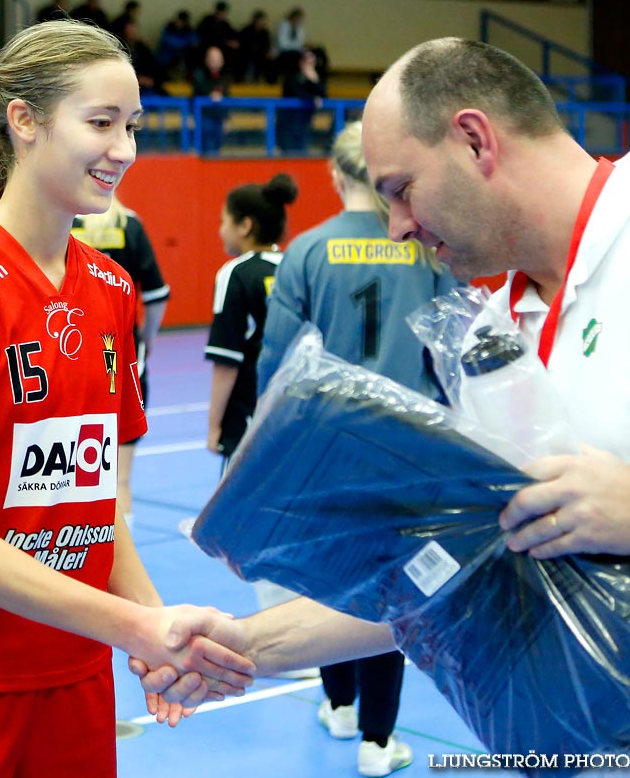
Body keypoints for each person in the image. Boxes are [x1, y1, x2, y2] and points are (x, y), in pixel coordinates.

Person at [178, 38, 630, 761]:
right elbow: (459, 573)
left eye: (402, 189)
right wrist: (250, 643)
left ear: (474, 140)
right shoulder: (483, 330)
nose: (398, 224)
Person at [0, 20, 256, 776]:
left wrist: (155, 626)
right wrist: (136, 625)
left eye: (132, 126)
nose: (124, 150)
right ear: (25, 120)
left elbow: (92, 497)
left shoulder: (110, 290)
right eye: (101, 123)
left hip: (72, 676)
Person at [255, 121, 456, 776]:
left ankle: (337, 706)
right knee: (387, 596)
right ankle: (377, 741)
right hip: (404, 449)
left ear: (333, 176)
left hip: (324, 449)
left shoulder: (307, 252)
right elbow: (452, 352)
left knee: (329, 583)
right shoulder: (425, 251)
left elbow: (277, 365)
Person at [72, 198, 170, 527]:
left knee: (67, 482)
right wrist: (148, 337)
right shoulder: (130, 225)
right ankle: (114, 570)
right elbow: (156, 294)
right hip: (119, 359)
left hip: (70, 355)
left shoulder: (66, 224)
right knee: (119, 481)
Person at [204, 174, 297, 464]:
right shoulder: (295, 266)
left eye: (224, 221)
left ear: (245, 226)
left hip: (248, 415)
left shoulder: (236, 273)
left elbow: (226, 360)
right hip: (294, 411)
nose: (220, 231)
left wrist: (214, 425)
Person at [279, 49, 327, 154]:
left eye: (312, 62)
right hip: (288, 124)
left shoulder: (313, 79)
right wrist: (312, 98)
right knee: (289, 154)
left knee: (302, 152)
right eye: (307, 62)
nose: (309, 65)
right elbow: (296, 93)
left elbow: (323, 94)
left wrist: (314, 80)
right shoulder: (291, 78)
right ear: (300, 62)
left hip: (304, 123)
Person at [193, 45, 232, 155]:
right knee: (208, 150)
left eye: (218, 60)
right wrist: (210, 95)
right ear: (207, 60)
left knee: (217, 150)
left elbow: (227, 98)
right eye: (212, 59)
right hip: (204, 118)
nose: (215, 62)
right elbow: (197, 94)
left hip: (219, 119)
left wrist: (226, 119)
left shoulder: (225, 76)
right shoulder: (199, 75)